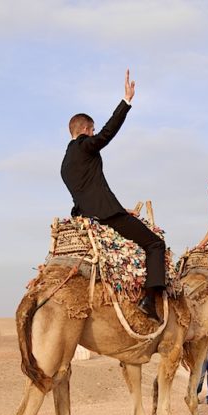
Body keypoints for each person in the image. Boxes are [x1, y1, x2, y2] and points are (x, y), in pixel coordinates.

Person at [60, 69, 165, 322]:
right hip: (105, 215)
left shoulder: (65, 162)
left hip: (88, 214)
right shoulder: (85, 145)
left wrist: (122, 208)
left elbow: (92, 190)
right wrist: (126, 102)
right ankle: (149, 301)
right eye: (93, 130)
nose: (95, 134)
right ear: (86, 129)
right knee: (155, 244)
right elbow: (108, 133)